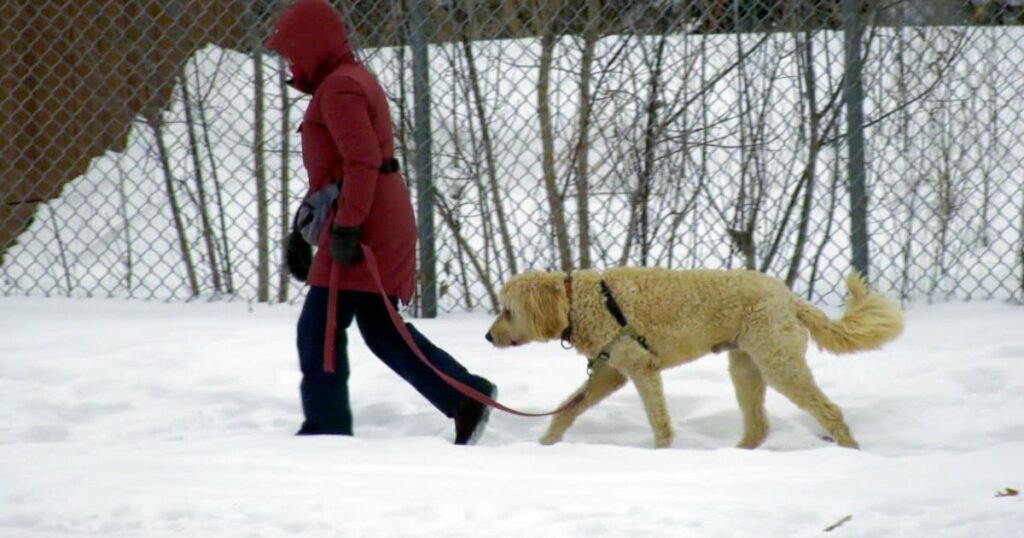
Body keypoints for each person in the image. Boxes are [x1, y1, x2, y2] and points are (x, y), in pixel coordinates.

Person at [265, 0, 496, 445]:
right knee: (381, 328)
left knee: (320, 327)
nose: (290, 61)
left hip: (366, 223)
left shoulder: (341, 89)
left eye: (293, 51)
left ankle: (326, 427)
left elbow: (363, 160)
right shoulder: (344, 80)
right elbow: (338, 170)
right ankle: (465, 396)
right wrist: (303, 229)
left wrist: (348, 227)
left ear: (315, 44)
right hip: (371, 215)